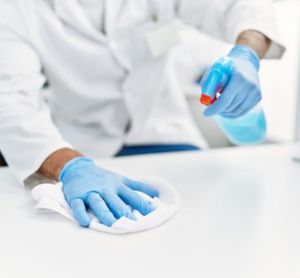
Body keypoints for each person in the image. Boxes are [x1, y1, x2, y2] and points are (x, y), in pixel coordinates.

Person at [0, 0, 284, 227]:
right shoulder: (15, 9)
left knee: (205, 225)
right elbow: (12, 105)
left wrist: (246, 53)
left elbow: (240, 6)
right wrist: (71, 167)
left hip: (166, 133)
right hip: (82, 152)